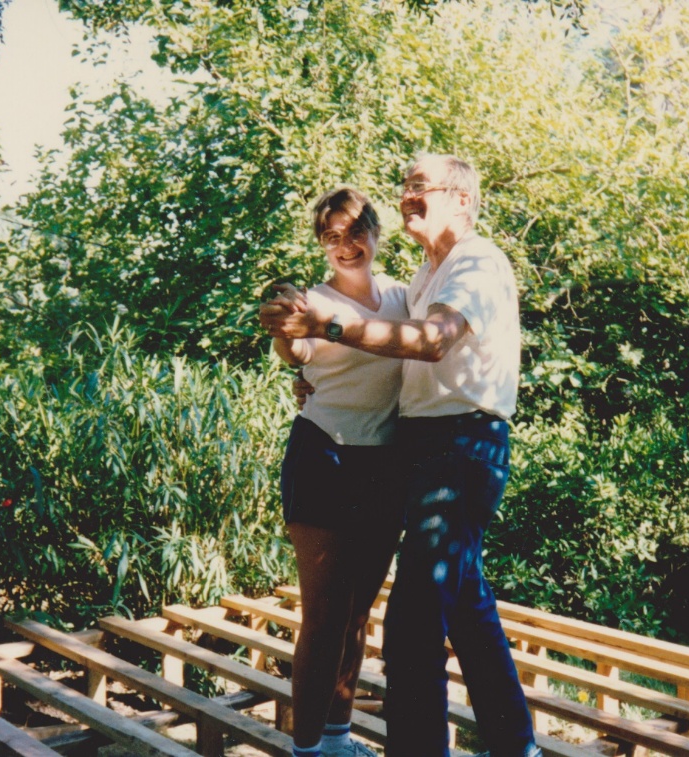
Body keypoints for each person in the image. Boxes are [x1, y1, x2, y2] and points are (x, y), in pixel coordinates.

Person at [261, 154, 540, 757]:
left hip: (456, 448)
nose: (411, 196)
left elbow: (430, 343)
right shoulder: (422, 277)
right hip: (397, 452)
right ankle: (517, 746)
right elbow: (325, 358)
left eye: (423, 187)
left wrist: (333, 326)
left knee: (409, 624)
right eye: (406, 187)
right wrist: (298, 355)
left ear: (462, 200)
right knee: (464, 607)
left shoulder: (474, 263)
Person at [260, 187, 407, 757]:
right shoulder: (312, 302)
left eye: (354, 232)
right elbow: (291, 349)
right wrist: (282, 331)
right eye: (331, 237)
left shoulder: (404, 296)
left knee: (357, 615)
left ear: (375, 230)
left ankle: (338, 738)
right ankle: (306, 749)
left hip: (385, 466)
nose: (346, 246)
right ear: (322, 245)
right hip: (324, 456)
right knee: (323, 616)